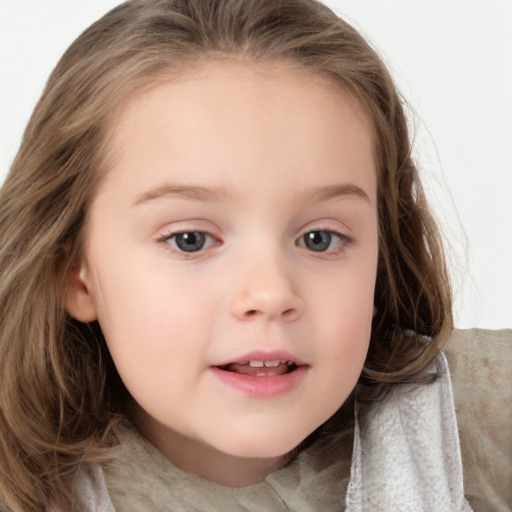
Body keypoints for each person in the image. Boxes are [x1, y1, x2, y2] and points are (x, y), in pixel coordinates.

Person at [0, 0, 510, 511]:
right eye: (190, 240)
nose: (270, 294)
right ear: (73, 274)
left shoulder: (474, 416)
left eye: (320, 238)